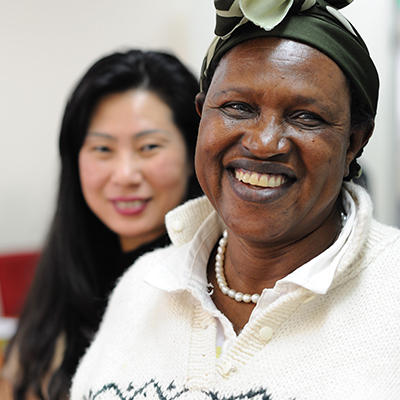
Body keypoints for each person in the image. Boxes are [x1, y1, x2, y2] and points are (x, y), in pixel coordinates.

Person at [70, 1, 400, 399]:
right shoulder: (145, 285)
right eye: (237, 108)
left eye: (306, 117)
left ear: (354, 143)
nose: (263, 143)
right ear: (201, 117)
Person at [0, 49, 202, 400]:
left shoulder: (217, 283)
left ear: (193, 155)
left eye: (149, 147)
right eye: (103, 150)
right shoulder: (64, 277)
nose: (124, 175)